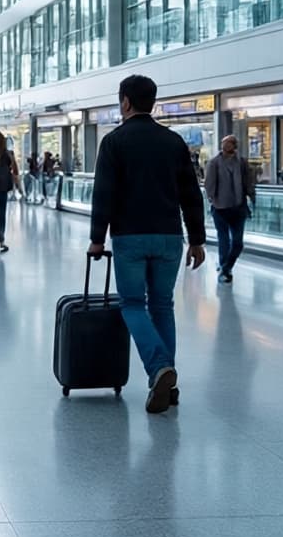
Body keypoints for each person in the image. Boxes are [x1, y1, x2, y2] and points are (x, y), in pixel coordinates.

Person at [88, 75, 206, 415]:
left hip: (130, 236)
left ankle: (158, 369)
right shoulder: (173, 142)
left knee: (132, 304)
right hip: (170, 236)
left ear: (125, 102)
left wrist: (97, 239)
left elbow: (104, 193)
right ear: (151, 102)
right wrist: (196, 239)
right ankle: (167, 382)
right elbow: (191, 194)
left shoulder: (114, 142)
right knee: (162, 306)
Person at [204, 134, 255, 284]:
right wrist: (212, 199)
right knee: (224, 238)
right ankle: (225, 269)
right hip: (220, 207)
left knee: (238, 242)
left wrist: (251, 195)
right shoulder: (214, 163)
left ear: (235, 146)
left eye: (229, 143)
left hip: (239, 207)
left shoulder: (242, 163)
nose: (225, 146)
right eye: (224, 143)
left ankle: (226, 266)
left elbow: (248, 181)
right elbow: (209, 184)